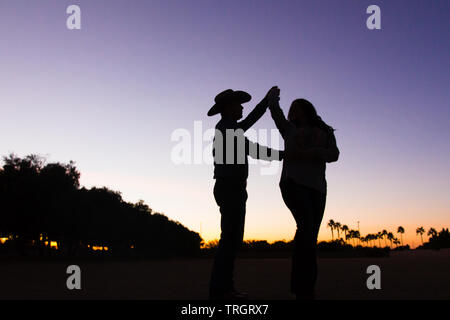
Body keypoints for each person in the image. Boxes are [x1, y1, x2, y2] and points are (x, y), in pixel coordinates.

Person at [207, 87, 283, 300]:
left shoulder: (228, 129)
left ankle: (224, 288)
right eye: (238, 105)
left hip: (232, 187)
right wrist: (266, 102)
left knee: (231, 240)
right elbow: (254, 143)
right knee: (229, 241)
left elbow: (251, 143)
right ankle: (220, 289)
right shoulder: (227, 129)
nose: (241, 108)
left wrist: (265, 103)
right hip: (230, 187)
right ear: (229, 108)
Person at [268, 94, 339, 300]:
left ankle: (306, 286)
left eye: (297, 108)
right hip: (293, 184)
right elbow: (277, 116)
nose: (293, 112)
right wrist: (273, 100)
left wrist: (314, 152)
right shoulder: (289, 130)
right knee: (306, 229)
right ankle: (302, 289)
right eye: (292, 109)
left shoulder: (325, 131)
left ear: (307, 110)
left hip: (318, 188)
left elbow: (334, 154)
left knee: (309, 237)